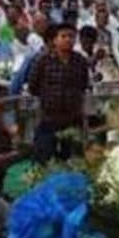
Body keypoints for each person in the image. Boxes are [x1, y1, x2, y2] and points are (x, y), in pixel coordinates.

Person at [26, 23, 91, 162]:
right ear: (55, 40)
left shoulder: (80, 61)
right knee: (43, 160)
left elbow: (84, 86)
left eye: (71, 36)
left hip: (73, 119)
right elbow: (32, 87)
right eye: (63, 36)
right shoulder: (42, 60)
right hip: (48, 119)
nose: (68, 39)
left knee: (74, 160)